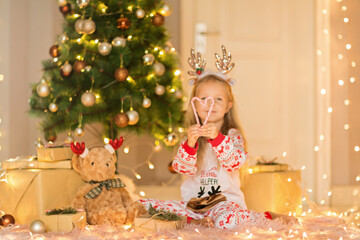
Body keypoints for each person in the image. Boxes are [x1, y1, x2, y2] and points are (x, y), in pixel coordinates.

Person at [138, 46, 297, 229]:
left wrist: (217, 138)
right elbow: (182, 168)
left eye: (218, 99)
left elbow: (235, 163)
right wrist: (190, 144)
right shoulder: (190, 136)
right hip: (193, 206)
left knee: (226, 221)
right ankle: (196, 221)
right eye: (204, 98)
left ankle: (265, 217)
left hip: (224, 205)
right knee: (147, 207)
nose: (210, 104)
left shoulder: (233, 135)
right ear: (195, 105)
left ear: (228, 105)